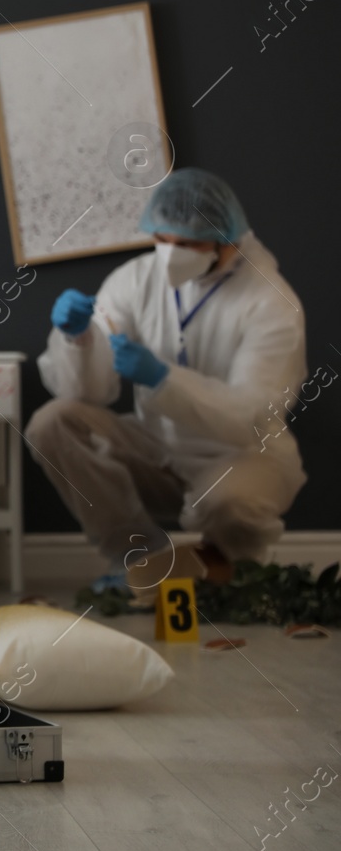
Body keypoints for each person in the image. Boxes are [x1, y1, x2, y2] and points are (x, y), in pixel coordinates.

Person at [27, 167, 307, 596]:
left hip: (244, 455)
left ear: (226, 238)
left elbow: (252, 415)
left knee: (228, 505)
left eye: (188, 243)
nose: (170, 253)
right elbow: (87, 393)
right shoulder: (137, 279)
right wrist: (78, 337)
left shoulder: (270, 301)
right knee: (53, 423)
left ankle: (227, 564)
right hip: (158, 448)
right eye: (162, 239)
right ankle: (142, 559)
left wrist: (164, 379)